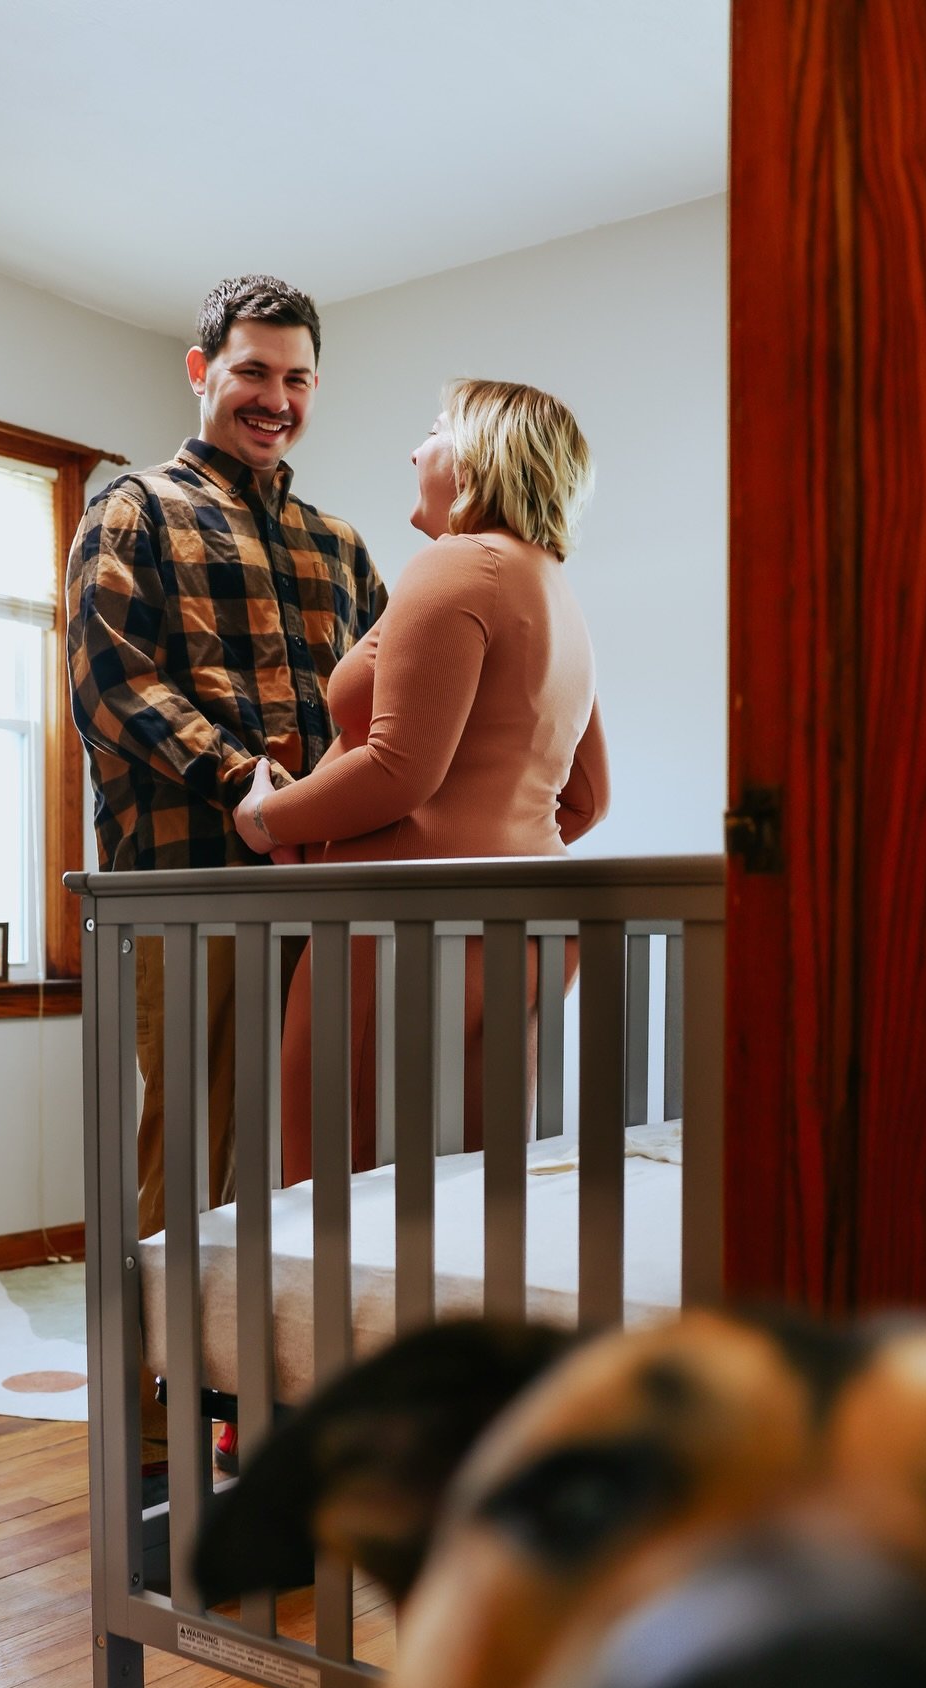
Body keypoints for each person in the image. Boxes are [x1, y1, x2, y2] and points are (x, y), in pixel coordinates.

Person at [67, 273, 386, 1472]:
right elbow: (111, 684)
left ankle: (276, 1402)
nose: (277, 398)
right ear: (202, 371)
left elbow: (385, 708)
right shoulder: (132, 512)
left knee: (309, 1153)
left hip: (324, 889)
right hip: (186, 883)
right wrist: (242, 781)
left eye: (298, 378)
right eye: (254, 372)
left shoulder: (343, 547)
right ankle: (159, 1422)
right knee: (192, 1149)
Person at [235, 377, 609, 1182]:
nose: (416, 449)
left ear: (477, 456)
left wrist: (268, 818)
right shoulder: (555, 589)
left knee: (337, 1190)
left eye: (436, 430)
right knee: (465, 1188)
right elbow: (585, 800)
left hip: (405, 932)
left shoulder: (457, 566)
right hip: (528, 931)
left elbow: (401, 770)